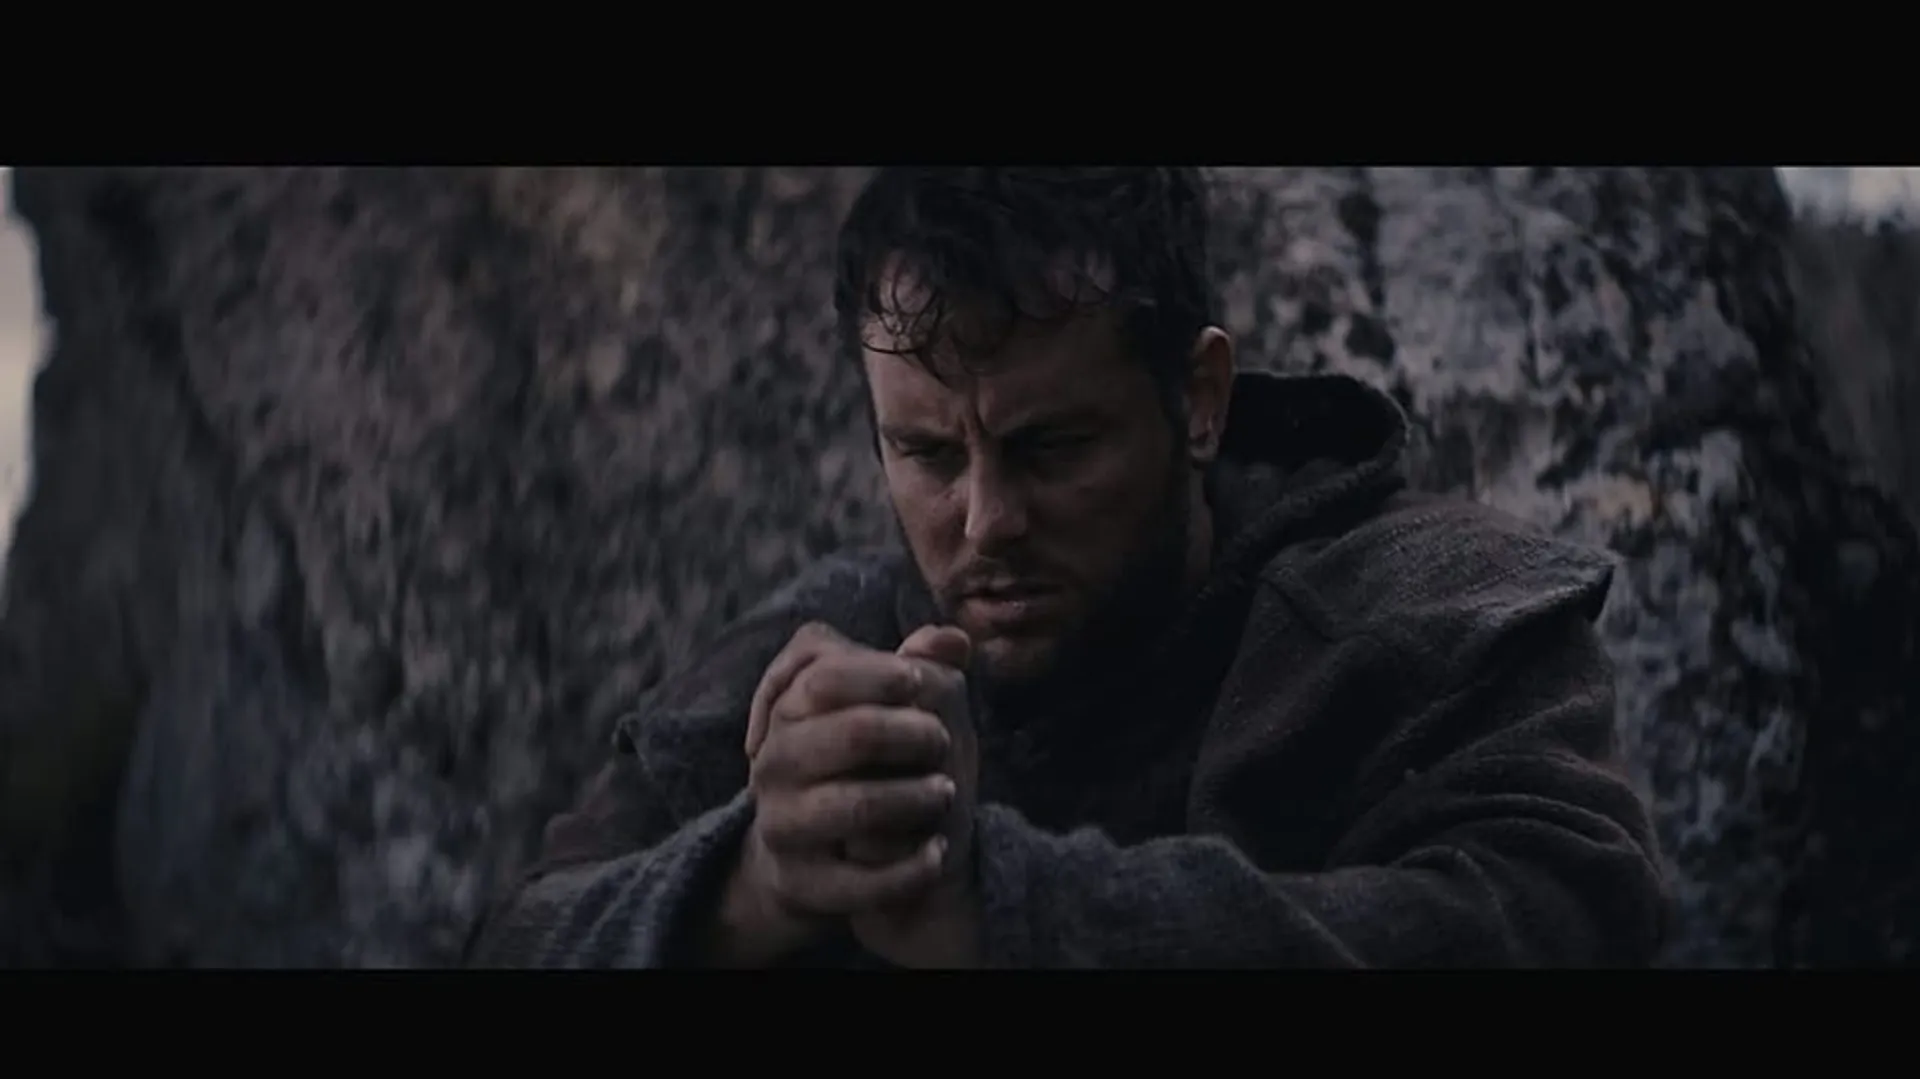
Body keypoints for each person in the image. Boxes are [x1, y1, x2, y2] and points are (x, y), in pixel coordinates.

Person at [464, 167, 1668, 968]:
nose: (986, 521)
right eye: (927, 452)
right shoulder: (828, 644)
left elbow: (1571, 915)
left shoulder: (1429, 612)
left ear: (1199, 399)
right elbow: (517, 936)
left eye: (1052, 446)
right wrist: (753, 884)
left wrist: (1009, 912)